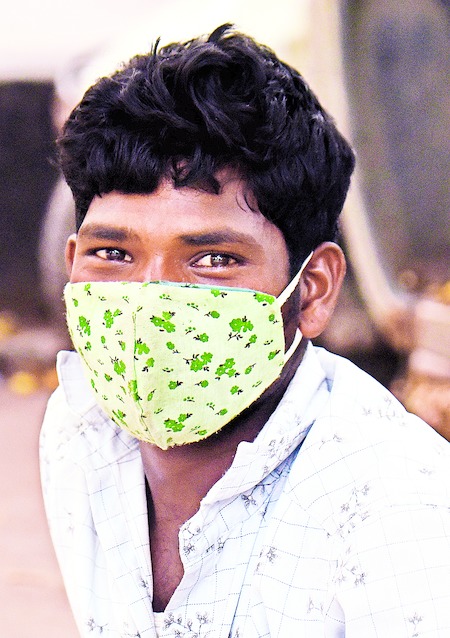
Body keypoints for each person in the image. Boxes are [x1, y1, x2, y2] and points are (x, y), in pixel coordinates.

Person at [40, 24, 450, 637]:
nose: (150, 301)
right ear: (72, 263)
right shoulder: (78, 436)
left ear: (312, 290)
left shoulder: (400, 515)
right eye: (114, 254)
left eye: (212, 260)